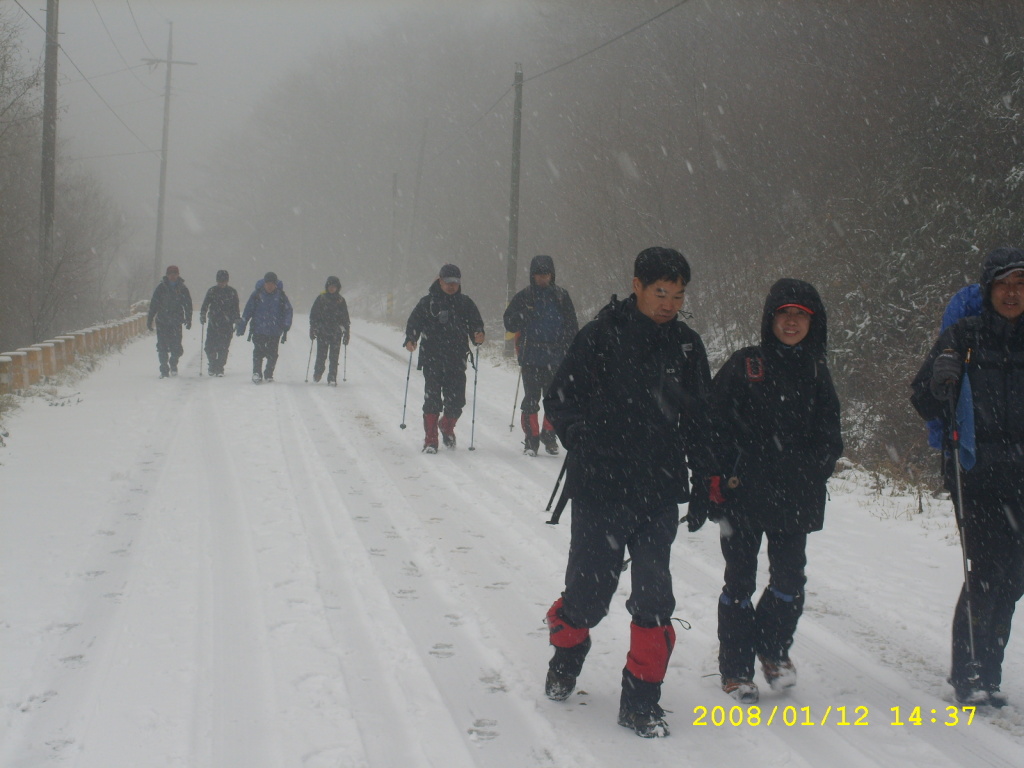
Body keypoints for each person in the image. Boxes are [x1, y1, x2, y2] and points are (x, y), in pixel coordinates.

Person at [541, 246, 717, 738]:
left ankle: (640, 700)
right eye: (661, 292)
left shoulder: (686, 347)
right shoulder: (600, 336)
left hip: (658, 489)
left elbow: (702, 420)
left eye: (678, 295)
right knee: (588, 595)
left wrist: (705, 479)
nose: (670, 304)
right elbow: (558, 398)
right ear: (637, 285)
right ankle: (566, 654)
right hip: (601, 486)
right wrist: (579, 437)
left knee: (654, 597)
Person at [690, 278, 843, 705]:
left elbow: (831, 436)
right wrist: (713, 475)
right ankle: (736, 669)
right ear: (770, 319)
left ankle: (773, 651)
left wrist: (811, 469)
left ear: (813, 322)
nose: (791, 322)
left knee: (790, 580)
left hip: (795, 497)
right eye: (784, 313)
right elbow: (711, 421)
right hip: (741, 494)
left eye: (800, 315)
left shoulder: (817, 372)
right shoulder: (746, 365)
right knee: (739, 580)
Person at [911, 247, 1024, 707]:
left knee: (1015, 576)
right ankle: (970, 673)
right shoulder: (964, 335)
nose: (1012, 293)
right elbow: (922, 397)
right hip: (976, 473)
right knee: (986, 572)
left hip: (1021, 474)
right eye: (1004, 285)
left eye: (1020, 285)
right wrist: (941, 381)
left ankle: (989, 670)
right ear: (988, 290)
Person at [403, 264, 485, 453]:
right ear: (439, 280)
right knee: (432, 400)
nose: (451, 286)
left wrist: (478, 334)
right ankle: (431, 440)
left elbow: (476, 325)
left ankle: (447, 426)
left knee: (457, 402)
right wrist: (411, 338)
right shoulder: (427, 303)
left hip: (457, 360)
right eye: (448, 282)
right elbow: (414, 323)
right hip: (432, 359)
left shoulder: (465, 303)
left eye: (455, 282)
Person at [503, 255, 578, 456]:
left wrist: (569, 349)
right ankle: (531, 439)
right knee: (531, 399)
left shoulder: (561, 296)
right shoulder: (525, 297)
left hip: (556, 356)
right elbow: (509, 322)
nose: (543, 278)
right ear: (532, 275)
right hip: (531, 356)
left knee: (554, 399)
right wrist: (523, 316)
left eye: (546, 274)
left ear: (551, 275)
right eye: (539, 275)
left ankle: (548, 434)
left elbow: (572, 326)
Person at [237, 271, 293, 384]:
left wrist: (286, 324)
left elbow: (288, 310)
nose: (270, 286)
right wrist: (242, 326)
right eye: (268, 283)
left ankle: (269, 373)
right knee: (258, 352)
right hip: (258, 329)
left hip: (275, 331)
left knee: (273, 354)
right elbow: (248, 311)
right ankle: (257, 373)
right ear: (264, 283)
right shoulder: (257, 295)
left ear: (275, 284)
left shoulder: (281, 296)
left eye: (272, 284)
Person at [146, 265, 193, 378]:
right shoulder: (161, 288)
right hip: (162, 322)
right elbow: (154, 305)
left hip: (176, 322)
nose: (173, 276)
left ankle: (173, 363)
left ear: (178, 275)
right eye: (170, 274)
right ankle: (164, 369)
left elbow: (188, 305)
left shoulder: (182, 289)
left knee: (176, 347)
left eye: (175, 274)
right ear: (167, 275)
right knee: (162, 347)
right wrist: (150, 319)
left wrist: (188, 318)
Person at [309, 276, 351, 385]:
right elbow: (314, 315)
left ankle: (332, 377)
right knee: (321, 355)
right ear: (327, 287)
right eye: (330, 286)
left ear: (338, 288)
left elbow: (345, 318)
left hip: (336, 333)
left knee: (334, 357)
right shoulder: (321, 298)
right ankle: (318, 373)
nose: (332, 289)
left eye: (334, 287)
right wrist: (313, 328)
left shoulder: (341, 300)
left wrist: (347, 332)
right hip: (322, 332)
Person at [199, 269, 240, 376]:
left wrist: (236, 319)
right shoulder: (212, 291)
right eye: (220, 281)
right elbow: (205, 305)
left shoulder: (232, 292)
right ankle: (212, 365)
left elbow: (236, 308)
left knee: (223, 347)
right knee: (209, 346)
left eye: (224, 281)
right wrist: (203, 314)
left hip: (227, 324)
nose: (221, 283)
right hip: (213, 322)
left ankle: (220, 367)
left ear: (227, 281)